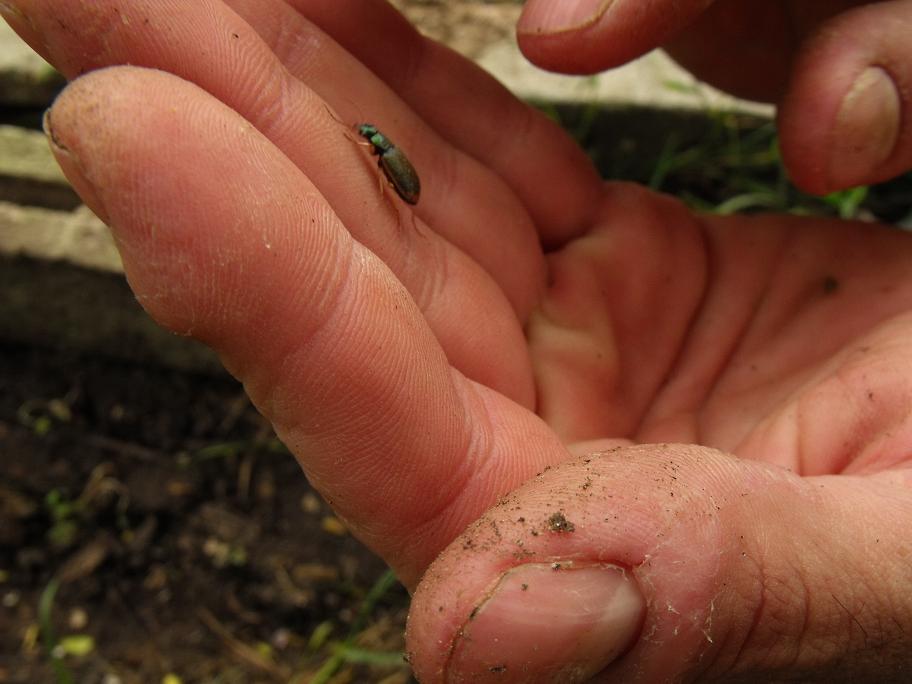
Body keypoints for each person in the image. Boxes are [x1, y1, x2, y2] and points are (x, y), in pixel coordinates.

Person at [5, 0, 912, 680]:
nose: (373, 144)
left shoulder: (390, 158)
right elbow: (380, 160)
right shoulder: (380, 151)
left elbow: (386, 166)